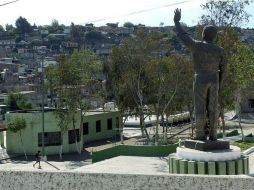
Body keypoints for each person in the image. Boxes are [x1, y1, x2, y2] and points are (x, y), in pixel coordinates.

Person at [174, 8, 227, 140]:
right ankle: (214, 135)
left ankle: (200, 135)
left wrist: (176, 22)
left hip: (201, 78)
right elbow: (223, 70)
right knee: (213, 108)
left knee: (200, 108)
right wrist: (220, 85)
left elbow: (184, 36)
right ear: (214, 36)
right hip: (214, 80)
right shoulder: (220, 51)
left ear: (203, 34)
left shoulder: (197, 46)